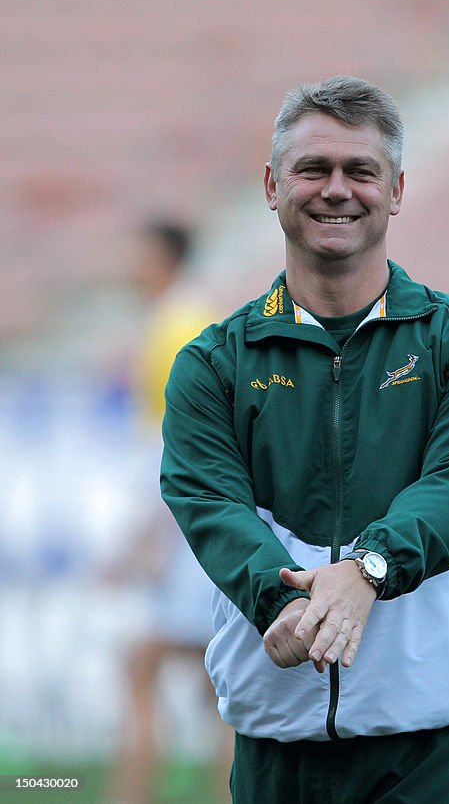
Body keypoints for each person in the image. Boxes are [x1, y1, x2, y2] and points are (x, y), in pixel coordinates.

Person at [160, 75, 449, 803]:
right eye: (313, 169)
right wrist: (281, 602)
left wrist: (369, 571)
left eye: (361, 171)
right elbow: (208, 501)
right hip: (275, 741)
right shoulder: (213, 360)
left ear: (395, 191)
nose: (337, 189)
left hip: (435, 740)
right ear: (272, 184)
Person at [106, 218, 231, 804]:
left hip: (183, 536)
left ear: (162, 257)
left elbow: (187, 441)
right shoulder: (174, 319)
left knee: (150, 669)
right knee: (213, 688)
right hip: (186, 531)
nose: (127, 262)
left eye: (135, 250)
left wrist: (150, 538)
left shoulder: (179, 324)